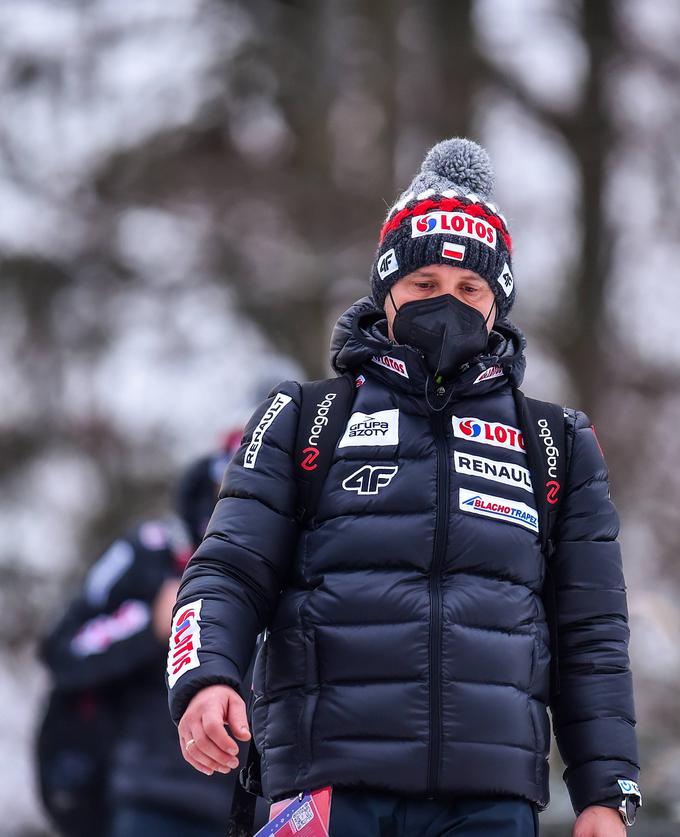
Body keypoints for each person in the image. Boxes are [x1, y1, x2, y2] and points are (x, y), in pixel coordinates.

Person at [166, 139, 641, 836]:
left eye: (469, 289)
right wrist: (204, 676)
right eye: (424, 285)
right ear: (386, 287)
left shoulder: (559, 442)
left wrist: (607, 791)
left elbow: (592, 631)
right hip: (326, 785)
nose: (445, 304)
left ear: (496, 303)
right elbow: (228, 569)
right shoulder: (304, 416)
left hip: (490, 796)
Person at [41, 439, 268, 837]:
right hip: (153, 801)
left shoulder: (298, 556)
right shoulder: (150, 551)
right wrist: (149, 624)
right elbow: (63, 649)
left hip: (255, 812)